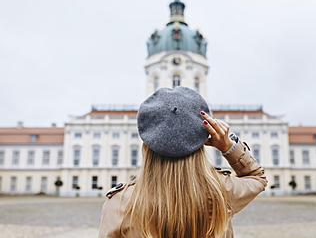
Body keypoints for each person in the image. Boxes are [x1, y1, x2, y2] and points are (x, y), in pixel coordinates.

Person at [99, 86, 267, 238]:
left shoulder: (119, 203)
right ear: (201, 143)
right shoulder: (221, 190)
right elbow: (257, 177)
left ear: (146, 145)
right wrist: (229, 147)